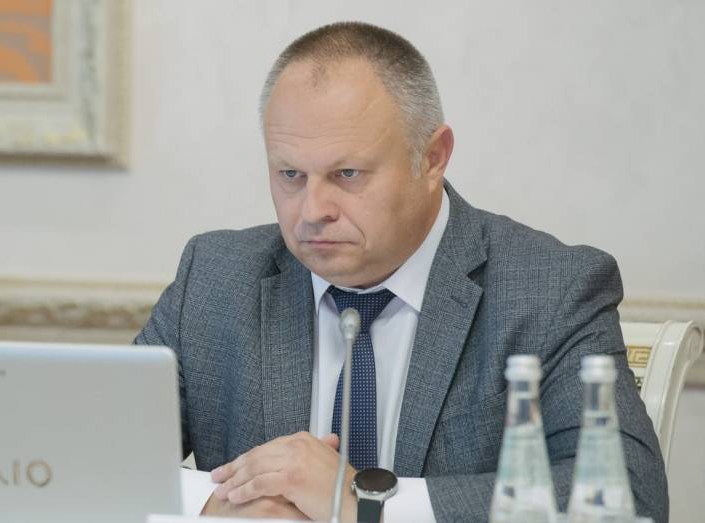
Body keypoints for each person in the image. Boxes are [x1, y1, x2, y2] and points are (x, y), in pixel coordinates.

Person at [135, 21, 667, 522]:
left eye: (347, 174)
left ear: (432, 158)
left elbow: (628, 493)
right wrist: (214, 503)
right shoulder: (216, 278)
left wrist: (366, 504)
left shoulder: (550, 289)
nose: (312, 210)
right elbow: (99, 455)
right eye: (290, 174)